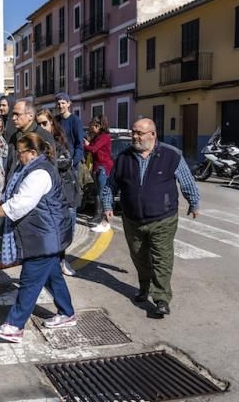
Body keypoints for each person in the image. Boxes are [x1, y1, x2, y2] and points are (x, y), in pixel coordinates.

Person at [0, 133, 75, 343]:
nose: (18, 156)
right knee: (52, 275)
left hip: (43, 236)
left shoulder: (39, 173)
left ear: (32, 153)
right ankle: (67, 313)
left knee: (30, 280)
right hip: (44, 234)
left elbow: (20, 204)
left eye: (21, 152)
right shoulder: (28, 168)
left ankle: (14, 326)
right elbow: (10, 195)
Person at [111, 118, 200, 318]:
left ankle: (161, 298)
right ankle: (144, 288)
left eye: (139, 133)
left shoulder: (171, 155)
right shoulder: (124, 157)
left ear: (152, 134)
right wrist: (107, 204)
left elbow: (186, 180)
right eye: (133, 132)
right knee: (139, 256)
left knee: (162, 256)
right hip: (133, 218)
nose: (134, 136)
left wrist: (194, 202)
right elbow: (111, 184)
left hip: (163, 217)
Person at [36, 110, 80, 276]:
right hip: (47, 198)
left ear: (52, 124)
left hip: (67, 195)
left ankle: (61, 260)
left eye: (44, 123)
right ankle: (54, 263)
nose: (41, 127)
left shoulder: (58, 142)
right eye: (38, 124)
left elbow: (66, 161)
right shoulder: (35, 143)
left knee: (67, 232)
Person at [5, 99, 55, 178]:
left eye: (17, 114)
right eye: (13, 114)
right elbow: (9, 165)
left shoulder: (43, 136)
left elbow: (51, 167)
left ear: (30, 116)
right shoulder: (14, 137)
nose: (13, 118)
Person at [83, 116, 114, 232]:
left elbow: (93, 149)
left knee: (103, 194)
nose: (90, 127)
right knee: (97, 194)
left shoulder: (105, 137)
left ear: (98, 126)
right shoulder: (97, 137)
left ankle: (105, 222)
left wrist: (85, 146)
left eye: (92, 125)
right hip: (97, 168)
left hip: (103, 168)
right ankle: (98, 217)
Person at [55, 93, 85, 169]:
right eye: (58, 104)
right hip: (58, 161)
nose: (60, 106)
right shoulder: (55, 120)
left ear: (68, 104)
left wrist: (73, 162)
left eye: (63, 103)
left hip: (71, 163)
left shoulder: (75, 120)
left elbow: (79, 144)